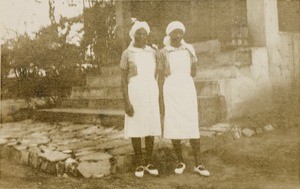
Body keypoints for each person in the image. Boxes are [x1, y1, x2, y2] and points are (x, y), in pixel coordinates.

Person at [157, 21, 210, 176]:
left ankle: (198, 164)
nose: (178, 35)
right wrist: (160, 97)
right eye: (175, 32)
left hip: (187, 87)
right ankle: (180, 161)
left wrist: (184, 78)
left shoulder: (189, 49)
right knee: (174, 124)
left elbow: (194, 72)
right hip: (171, 88)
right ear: (169, 34)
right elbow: (161, 76)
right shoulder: (163, 52)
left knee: (192, 123)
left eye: (180, 32)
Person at [120, 21, 161, 178]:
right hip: (135, 93)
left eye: (144, 33)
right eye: (139, 33)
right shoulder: (127, 53)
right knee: (136, 126)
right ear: (133, 35)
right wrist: (126, 102)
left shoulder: (152, 52)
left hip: (150, 92)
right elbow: (123, 80)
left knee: (150, 125)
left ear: (147, 35)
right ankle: (139, 163)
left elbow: (156, 72)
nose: (142, 36)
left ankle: (149, 162)